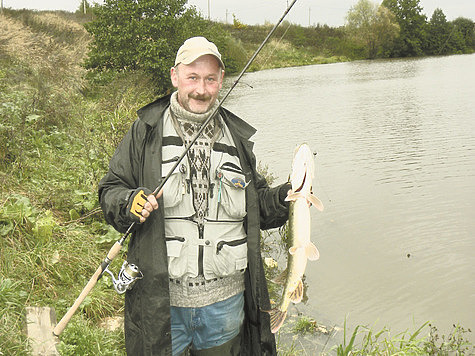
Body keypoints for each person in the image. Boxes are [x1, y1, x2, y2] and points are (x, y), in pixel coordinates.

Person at [98, 36, 291, 356]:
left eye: (210, 79)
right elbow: (111, 190)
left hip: (225, 306)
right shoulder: (145, 132)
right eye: (192, 77)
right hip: (163, 304)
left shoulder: (237, 137)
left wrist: (288, 197)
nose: (201, 89)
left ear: (221, 81)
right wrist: (129, 202)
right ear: (175, 76)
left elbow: (257, 206)